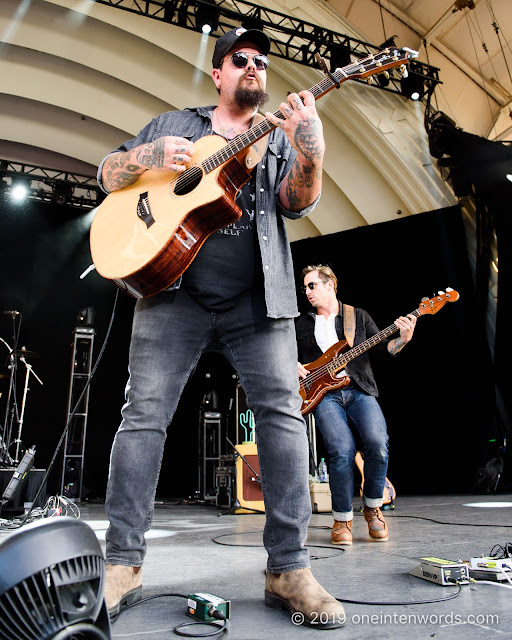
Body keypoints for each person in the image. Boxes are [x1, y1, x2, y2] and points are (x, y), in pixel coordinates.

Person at [97, 28, 345, 629]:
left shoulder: (279, 135)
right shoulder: (172, 125)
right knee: (143, 417)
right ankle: (123, 563)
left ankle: (288, 566)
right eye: (241, 60)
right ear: (219, 74)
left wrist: (308, 141)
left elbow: (299, 200)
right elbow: (107, 174)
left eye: (262, 62)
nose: (254, 68)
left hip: (258, 300)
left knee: (284, 419)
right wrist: (151, 159)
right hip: (170, 292)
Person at [296, 265, 416, 545]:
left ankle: (373, 507)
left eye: (312, 285)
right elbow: (288, 353)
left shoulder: (357, 317)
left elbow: (383, 351)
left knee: (377, 443)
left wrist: (403, 339)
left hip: (358, 389)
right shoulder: (302, 324)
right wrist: (293, 364)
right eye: (305, 288)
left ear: (330, 285)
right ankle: (342, 520)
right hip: (323, 395)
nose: (307, 292)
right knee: (341, 451)